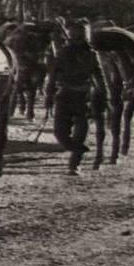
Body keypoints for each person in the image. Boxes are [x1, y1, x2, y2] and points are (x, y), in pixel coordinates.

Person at [45, 17, 108, 176]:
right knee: (60, 133)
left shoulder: (91, 54)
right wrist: (48, 95)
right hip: (64, 94)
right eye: (73, 35)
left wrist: (103, 95)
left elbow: (99, 76)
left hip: (83, 96)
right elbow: (53, 76)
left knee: (80, 131)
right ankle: (78, 149)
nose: (76, 38)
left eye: (80, 35)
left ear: (85, 36)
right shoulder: (62, 53)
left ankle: (75, 163)